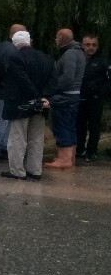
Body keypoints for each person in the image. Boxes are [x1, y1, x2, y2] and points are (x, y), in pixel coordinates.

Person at [1, 30, 54, 180]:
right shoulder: (47, 58)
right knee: (36, 138)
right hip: (41, 104)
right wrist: (44, 98)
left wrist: (34, 96)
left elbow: (21, 80)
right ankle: (35, 170)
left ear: (14, 44)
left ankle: (17, 171)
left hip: (21, 105)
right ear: (30, 41)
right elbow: (53, 81)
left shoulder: (15, 58)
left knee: (18, 138)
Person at [45, 28, 86, 169]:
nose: (55, 40)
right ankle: (70, 157)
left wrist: (53, 88)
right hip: (74, 95)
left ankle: (64, 160)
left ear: (62, 38)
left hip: (66, 96)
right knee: (70, 127)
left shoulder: (69, 54)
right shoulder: (79, 52)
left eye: (57, 37)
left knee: (63, 126)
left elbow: (68, 77)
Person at [0, 23, 26, 160]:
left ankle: (1, 146)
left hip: (0, 89)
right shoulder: (11, 51)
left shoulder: (1, 47)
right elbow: (8, 71)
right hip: (5, 90)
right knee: (2, 120)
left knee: (3, 120)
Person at [76, 34, 109, 162]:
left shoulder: (102, 62)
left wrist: (100, 93)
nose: (91, 47)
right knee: (80, 125)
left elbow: (108, 82)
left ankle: (92, 151)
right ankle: (79, 149)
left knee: (94, 125)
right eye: (88, 44)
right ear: (82, 45)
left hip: (95, 99)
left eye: (94, 45)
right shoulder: (78, 59)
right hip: (80, 98)